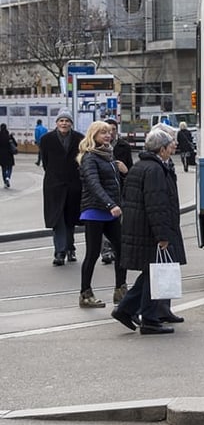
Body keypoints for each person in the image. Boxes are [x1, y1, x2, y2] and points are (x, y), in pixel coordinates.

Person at [111, 128, 186, 335]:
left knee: (150, 273)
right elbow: (157, 205)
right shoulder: (154, 170)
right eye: (169, 147)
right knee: (155, 274)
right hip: (150, 231)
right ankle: (149, 320)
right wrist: (162, 236)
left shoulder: (141, 166)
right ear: (161, 149)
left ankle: (125, 309)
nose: (171, 150)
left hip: (139, 228)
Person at [75, 121, 128, 307]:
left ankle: (120, 290)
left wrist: (124, 172)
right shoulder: (89, 157)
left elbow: (112, 183)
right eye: (102, 132)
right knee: (92, 254)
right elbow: (93, 184)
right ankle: (85, 294)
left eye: (109, 132)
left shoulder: (108, 155)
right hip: (95, 211)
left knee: (122, 250)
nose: (107, 135)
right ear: (93, 135)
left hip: (111, 211)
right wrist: (110, 204)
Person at [40, 110, 84, 266]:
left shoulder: (79, 138)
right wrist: (55, 175)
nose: (64, 123)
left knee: (70, 218)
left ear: (71, 123)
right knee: (58, 218)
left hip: (73, 184)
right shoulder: (46, 139)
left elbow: (82, 161)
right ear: (56, 123)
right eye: (61, 121)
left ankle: (70, 248)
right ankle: (60, 251)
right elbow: (45, 161)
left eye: (67, 120)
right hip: (54, 185)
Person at [100, 118, 133, 265]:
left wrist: (125, 171)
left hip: (121, 188)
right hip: (105, 189)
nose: (111, 133)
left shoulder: (123, 146)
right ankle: (106, 251)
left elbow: (130, 169)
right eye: (107, 130)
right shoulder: (97, 148)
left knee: (120, 221)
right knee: (105, 220)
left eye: (113, 129)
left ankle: (117, 249)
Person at [0, 123, 16, 188]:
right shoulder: (9, 136)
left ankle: (5, 181)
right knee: (10, 167)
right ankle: (8, 177)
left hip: (1, 155)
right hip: (9, 154)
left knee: (3, 168)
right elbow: (15, 144)